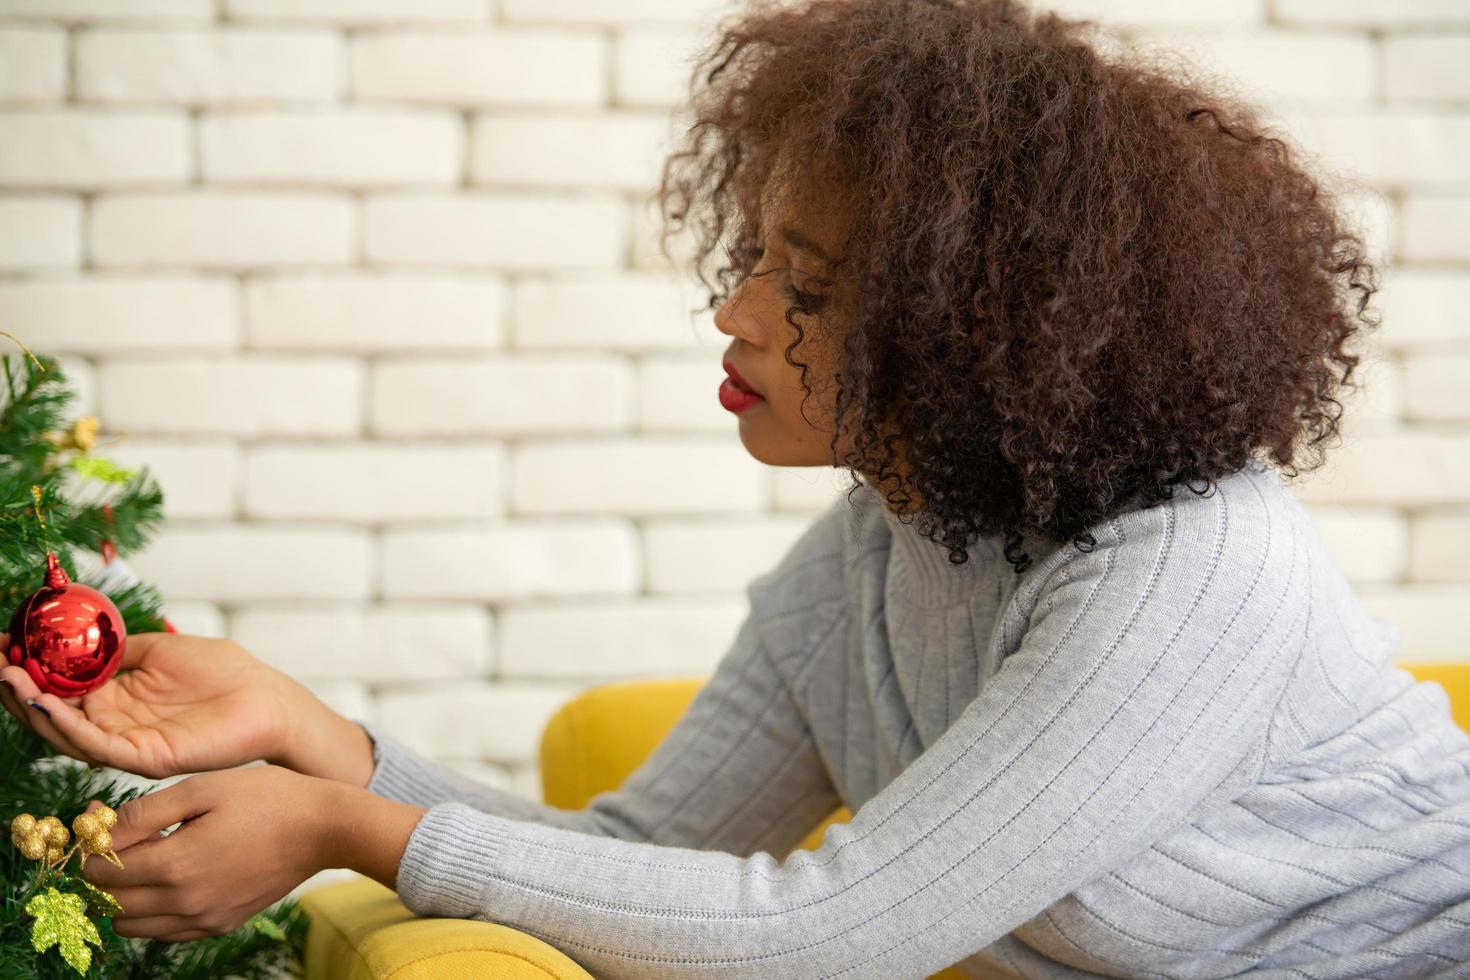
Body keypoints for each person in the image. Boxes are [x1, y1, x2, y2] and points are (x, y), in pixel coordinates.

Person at [5, 0, 1470, 975]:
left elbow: (833, 931)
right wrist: (315, 737)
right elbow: (635, 862)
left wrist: (344, 832)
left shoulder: (1186, 569)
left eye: (809, 289)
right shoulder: (877, 547)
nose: (737, 314)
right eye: (757, 256)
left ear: (979, 330)